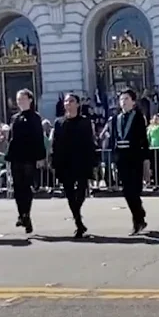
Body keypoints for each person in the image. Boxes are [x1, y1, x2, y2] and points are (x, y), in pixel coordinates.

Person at [51, 93, 98, 238]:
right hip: (65, 162)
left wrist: (93, 162)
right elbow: (55, 143)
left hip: (82, 161)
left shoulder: (85, 122)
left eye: (72, 101)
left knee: (81, 191)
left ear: (78, 104)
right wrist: (54, 161)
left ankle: (77, 213)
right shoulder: (59, 122)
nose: (69, 104)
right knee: (70, 194)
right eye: (66, 101)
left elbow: (90, 143)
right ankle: (79, 223)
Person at [107, 88, 150, 235]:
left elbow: (143, 139)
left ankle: (138, 218)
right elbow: (113, 139)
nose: (123, 102)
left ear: (133, 101)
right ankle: (138, 219)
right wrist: (114, 157)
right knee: (127, 191)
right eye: (121, 100)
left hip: (135, 157)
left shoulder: (138, 117)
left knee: (135, 190)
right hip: (122, 158)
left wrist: (146, 159)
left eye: (126, 99)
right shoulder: (115, 119)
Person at [5, 89, 46, 234]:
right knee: (17, 187)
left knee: (26, 187)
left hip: (29, 157)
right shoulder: (14, 118)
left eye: (23, 99)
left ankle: (26, 214)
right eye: (18, 99)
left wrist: (40, 157)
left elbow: (39, 138)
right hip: (16, 156)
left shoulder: (35, 117)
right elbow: (11, 138)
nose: (20, 102)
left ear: (30, 100)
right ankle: (21, 214)